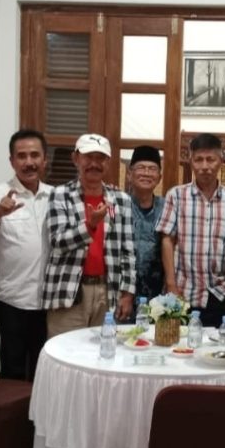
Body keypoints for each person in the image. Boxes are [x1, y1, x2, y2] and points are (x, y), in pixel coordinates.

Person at [0, 129, 52, 381]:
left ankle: (38, 410)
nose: (29, 162)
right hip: (11, 301)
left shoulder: (56, 196)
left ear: (45, 159)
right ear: (12, 161)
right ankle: (12, 410)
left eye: (35, 155)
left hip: (48, 302)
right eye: (22, 156)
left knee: (43, 371)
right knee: (12, 370)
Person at [43, 133, 136, 337]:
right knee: (65, 351)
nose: (94, 164)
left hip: (108, 291)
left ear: (108, 162)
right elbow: (58, 241)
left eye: (100, 158)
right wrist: (90, 225)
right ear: (76, 158)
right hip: (69, 290)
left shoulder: (120, 200)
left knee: (104, 351)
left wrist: (127, 293)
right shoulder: (60, 195)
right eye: (88, 157)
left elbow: (128, 250)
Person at [157, 133, 225, 329]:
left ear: (220, 161)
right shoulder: (176, 196)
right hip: (182, 292)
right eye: (199, 159)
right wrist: (171, 284)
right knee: (180, 345)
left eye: (210, 159)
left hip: (221, 293)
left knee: (220, 345)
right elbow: (167, 239)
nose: (205, 166)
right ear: (191, 162)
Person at [127, 145, 166, 304]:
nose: (146, 173)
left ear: (159, 177)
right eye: (141, 168)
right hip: (122, 291)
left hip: (158, 295)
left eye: (152, 169)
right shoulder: (117, 205)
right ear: (129, 174)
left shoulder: (167, 207)